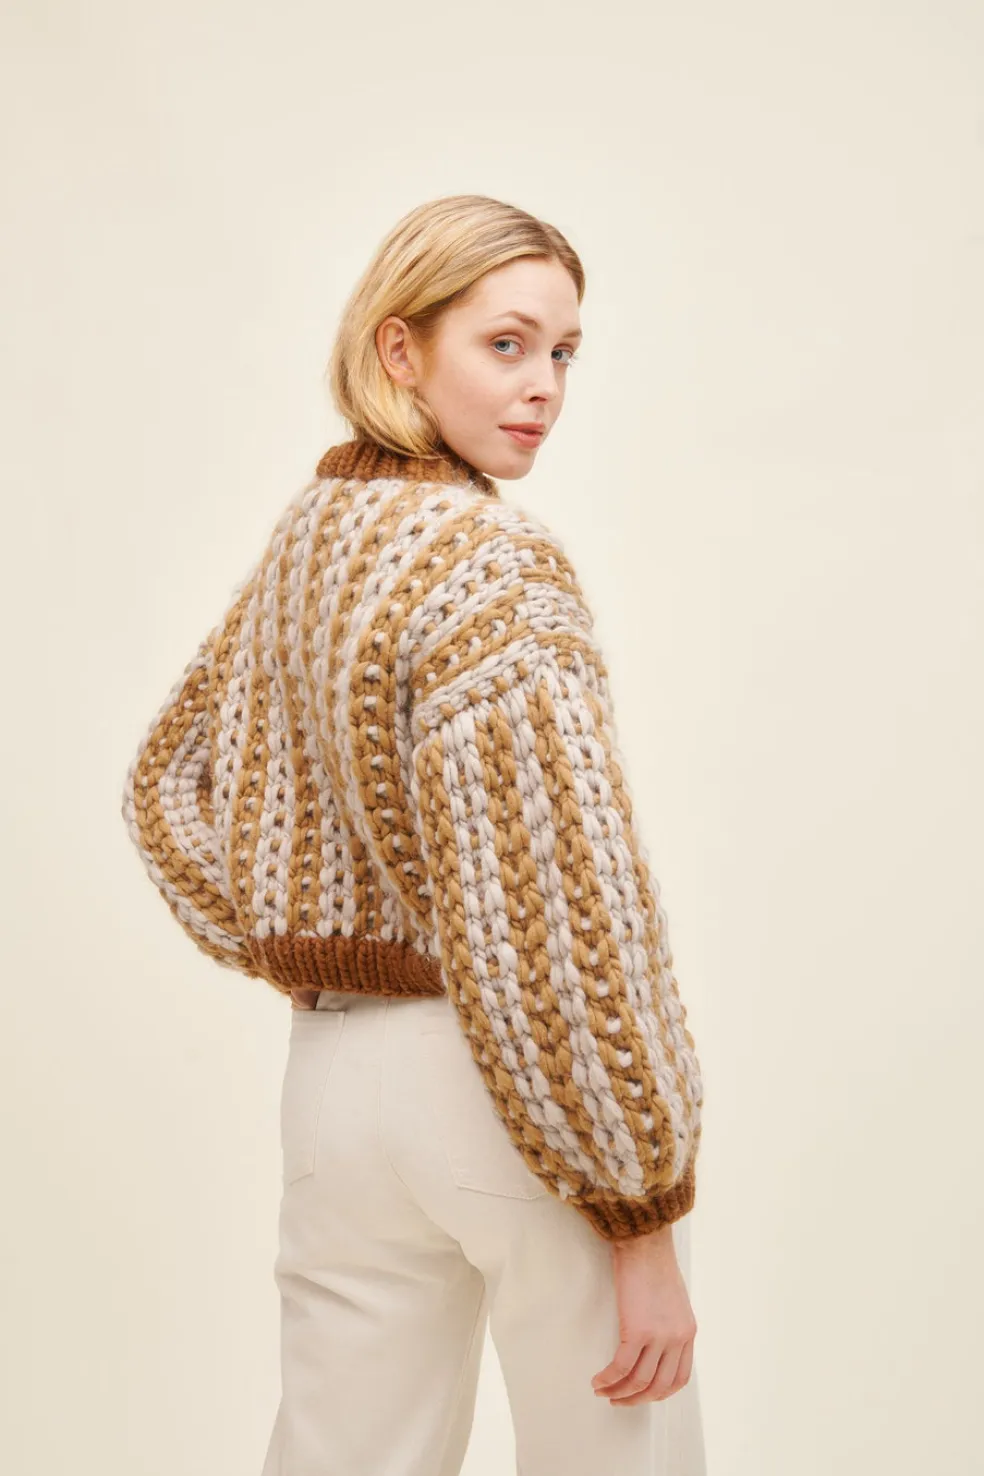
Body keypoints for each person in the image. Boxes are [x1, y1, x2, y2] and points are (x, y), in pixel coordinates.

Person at [121, 193, 706, 1475]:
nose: (546, 385)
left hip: (335, 1090)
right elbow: (567, 920)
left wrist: (295, 939)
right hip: (511, 1094)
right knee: (620, 1452)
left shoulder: (308, 542)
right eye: (506, 344)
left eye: (565, 351)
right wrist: (643, 1213)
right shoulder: (495, 566)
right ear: (400, 349)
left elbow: (166, 790)